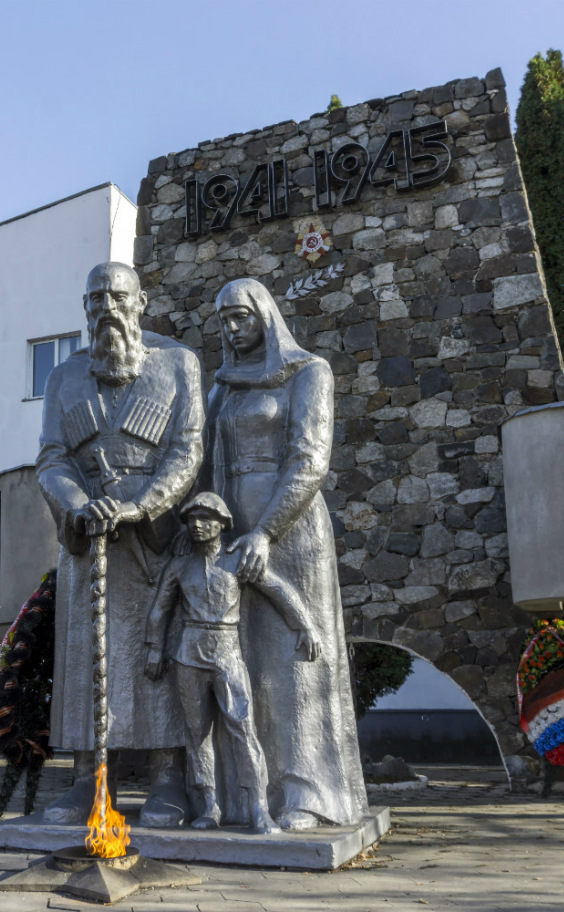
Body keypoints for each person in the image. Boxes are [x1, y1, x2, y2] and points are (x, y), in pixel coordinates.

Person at [36, 261, 205, 826]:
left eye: (117, 295)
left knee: (159, 656)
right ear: (85, 309)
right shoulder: (63, 377)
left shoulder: (179, 364)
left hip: (155, 537)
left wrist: (143, 506)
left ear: (141, 301)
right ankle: (87, 784)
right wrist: (77, 506)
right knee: (89, 658)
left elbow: (187, 451)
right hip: (88, 539)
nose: (106, 307)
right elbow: (52, 458)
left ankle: (167, 782)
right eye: (95, 298)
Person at [205, 277, 369, 829]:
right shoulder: (222, 387)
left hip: (290, 529)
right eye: (224, 319)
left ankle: (306, 793)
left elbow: (310, 460)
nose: (232, 328)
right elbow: (208, 464)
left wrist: (266, 533)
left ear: (266, 316)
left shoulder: (307, 372)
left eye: (242, 316)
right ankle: (248, 794)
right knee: (241, 662)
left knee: (293, 663)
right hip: (229, 529)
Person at [144, 492, 319, 834]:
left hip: (227, 655)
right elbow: (159, 610)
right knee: (196, 736)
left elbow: (278, 590)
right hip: (188, 655)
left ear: (222, 524)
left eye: (206, 519)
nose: (197, 525)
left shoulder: (238, 560)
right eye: (192, 519)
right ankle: (208, 806)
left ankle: (258, 809)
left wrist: (305, 625)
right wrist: (153, 649)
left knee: (243, 730)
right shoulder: (179, 567)